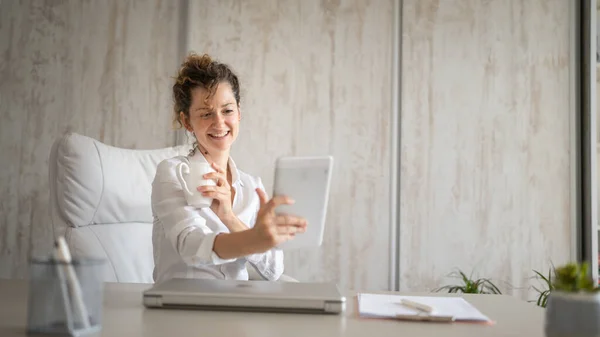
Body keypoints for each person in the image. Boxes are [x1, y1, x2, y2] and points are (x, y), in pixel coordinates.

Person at [151, 53, 307, 283]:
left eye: (227, 110)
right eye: (205, 114)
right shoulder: (172, 173)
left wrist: (230, 217)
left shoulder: (252, 186)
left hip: (236, 305)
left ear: (239, 113)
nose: (219, 122)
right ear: (187, 122)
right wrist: (254, 239)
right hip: (185, 306)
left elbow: (273, 270)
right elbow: (191, 247)